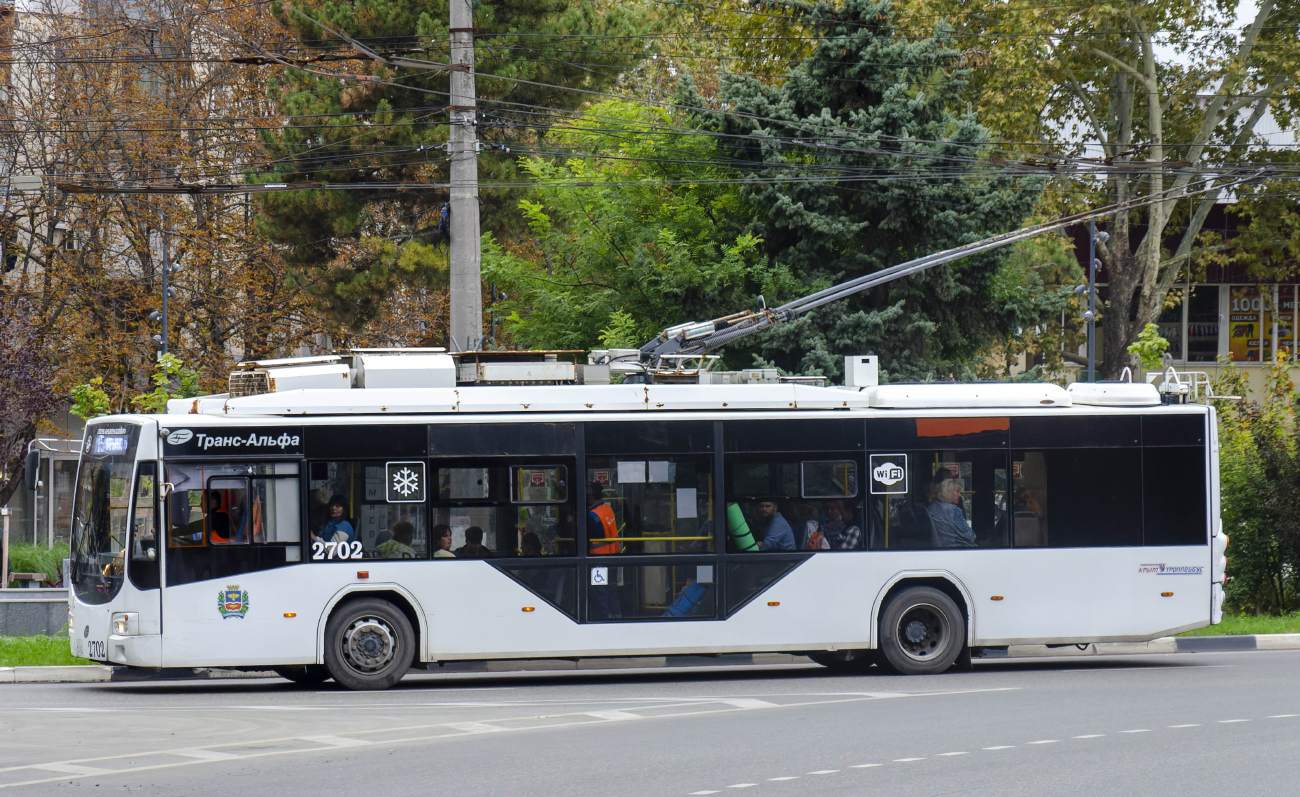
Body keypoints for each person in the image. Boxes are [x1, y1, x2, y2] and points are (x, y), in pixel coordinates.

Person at [927, 479, 977, 548]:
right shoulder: (953, 510)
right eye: (957, 491)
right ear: (948, 492)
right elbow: (970, 537)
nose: (960, 495)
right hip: (960, 549)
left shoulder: (931, 508)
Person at [587, 482, 620, 555]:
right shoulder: (607, 508)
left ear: (590, 498)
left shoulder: (592, 516)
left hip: (597, 558)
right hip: (613, 552)